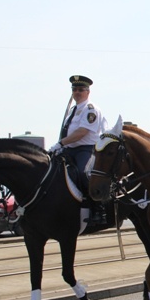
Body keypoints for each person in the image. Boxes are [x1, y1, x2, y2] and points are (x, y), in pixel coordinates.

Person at [48, 75, 107, 224]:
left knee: (82, 173)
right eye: (74, 89)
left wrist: (60, 143)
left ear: (88, 92)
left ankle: (98, 209)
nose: (77, 92)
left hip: (86, 149)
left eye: (81, 89)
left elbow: (82, 132)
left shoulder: (90, 110)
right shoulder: (73, 110)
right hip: (69, 149)